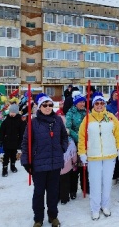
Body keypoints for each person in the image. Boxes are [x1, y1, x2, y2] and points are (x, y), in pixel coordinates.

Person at [21, 95, 68, 227]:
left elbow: (64, 137)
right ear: (39, 107)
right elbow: (26, 143)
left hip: (55, 163)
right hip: (39, 164)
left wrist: (61, 149)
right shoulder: (33, 123)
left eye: (50, 105)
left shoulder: (58, 120)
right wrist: (26, 161)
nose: (48, 108)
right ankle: (38, 219)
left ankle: (53, 217)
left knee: (53, 192)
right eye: (45, 105)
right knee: (39, 193)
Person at [78, 92, 119, 221]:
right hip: (93, 156)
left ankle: (105, 205)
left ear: (104, 104)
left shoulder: (110, 117)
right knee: (95, 183)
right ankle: (95, 208)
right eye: (97, 103)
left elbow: (118, 135)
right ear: (93, 105)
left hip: (110, 155)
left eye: (102, 103)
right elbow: (81, 137)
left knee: (107, 182)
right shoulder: (87, 119)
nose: (99, 105)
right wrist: (82, 152)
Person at [65, 92, 88, 199]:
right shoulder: (71, 113)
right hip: (76, 143)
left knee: (85, 166)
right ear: (76, 103)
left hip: (87, 143)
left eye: (83, 101)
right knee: (75, 168)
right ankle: (72, 190)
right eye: (80, 102)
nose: (82, 104)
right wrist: (79, 137)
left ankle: (85, 187)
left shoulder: (87, 112)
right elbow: (68, 128)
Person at [0, 104, 25, 177]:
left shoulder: (20, 120)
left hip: (15, 141)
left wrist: (21, 141)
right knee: (6, 156)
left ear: (16, 112)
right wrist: (1, 140)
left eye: (14, 112)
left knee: (14, 155)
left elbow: (22, 131)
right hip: (7, 141)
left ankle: (12, 166)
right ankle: (4, 169)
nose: (12, 113)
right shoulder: (6, 120)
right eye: (11, 112)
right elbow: (2, 131)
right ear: (9, 112)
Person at [106, 87, 119, 183]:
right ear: (112, 96)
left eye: (118, 95)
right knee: (113, 154)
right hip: (112, 133)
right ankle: (114, 174)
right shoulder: (108, 107)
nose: (117, 96)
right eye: (115, 95)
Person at [59, 137, 77, 204]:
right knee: (65, 182)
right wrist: (74, 162)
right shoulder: (70, 141)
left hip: (56, 165)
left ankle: (58, 196)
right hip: (67, 166)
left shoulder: (53, 139)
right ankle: (64, 198)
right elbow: (73, 153)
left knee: (57, 182)